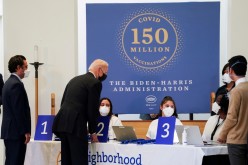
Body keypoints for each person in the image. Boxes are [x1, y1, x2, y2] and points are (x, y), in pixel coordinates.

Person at [52, 59, 109, 165]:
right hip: (76, 127)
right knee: (79, 160)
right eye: (106, 72)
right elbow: (92, 110)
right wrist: (93, 132)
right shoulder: (95, 83)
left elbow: (63, 102)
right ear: (99, 70)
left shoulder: (74, 79)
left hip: (62, 124)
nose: (105, 75)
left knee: (66, 160)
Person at [1, 55, 31, 165]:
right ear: (18, 67)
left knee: (10, 161)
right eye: (25, 67)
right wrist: (25, 131)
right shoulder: (16, 84)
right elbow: (18, 111)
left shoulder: (8, 82)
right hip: (16, 133)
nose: (26, 70)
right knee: (16, 161)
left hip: (10, 132)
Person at [218, 55, 248, 165]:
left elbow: (231, 117)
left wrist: (222, 135)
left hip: (236, 140)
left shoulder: (236, 91)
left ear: (231, 70)